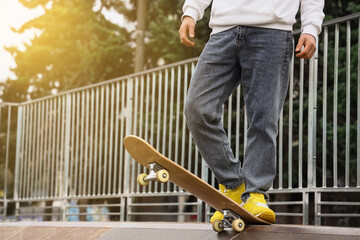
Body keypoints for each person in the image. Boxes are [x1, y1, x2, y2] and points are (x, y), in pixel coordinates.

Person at [179, 0, 324, 224]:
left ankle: (256, 193)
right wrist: (191, 12)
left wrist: (311, 27)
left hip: (272, 33)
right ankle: (234, 184)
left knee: (263, 119)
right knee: (197, 108)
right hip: (222, 32)